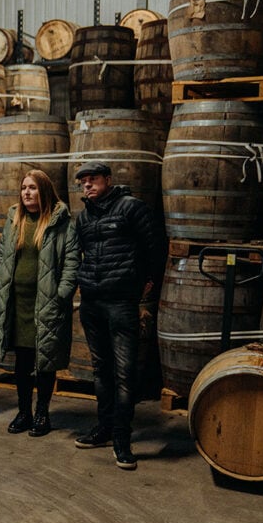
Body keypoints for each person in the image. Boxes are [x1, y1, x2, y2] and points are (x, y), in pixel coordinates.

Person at [72, 160, 163, 470]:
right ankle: (105, 428)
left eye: (93, 179)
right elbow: (81, 253)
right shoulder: (83, 218)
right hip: (92, 302)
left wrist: (144, 284)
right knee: (101, 370)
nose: (87, 185)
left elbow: (154, 248)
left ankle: (123, 438)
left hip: (121, 301)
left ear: (108, 179)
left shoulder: (130, 208)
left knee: (124, 373)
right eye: (83, 181)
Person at [0, 170, 79, 437]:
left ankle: (42, 413)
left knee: (45, 361)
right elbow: (1, 255)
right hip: (17, 302)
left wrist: (61, 294)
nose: (27, 193)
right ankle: (23, 412)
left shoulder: (60, 221)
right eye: (24, 188)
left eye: (33, 188)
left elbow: (72, 261)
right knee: (22, 361)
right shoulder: (14, 218)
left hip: (46, 302)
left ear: (44, 190)